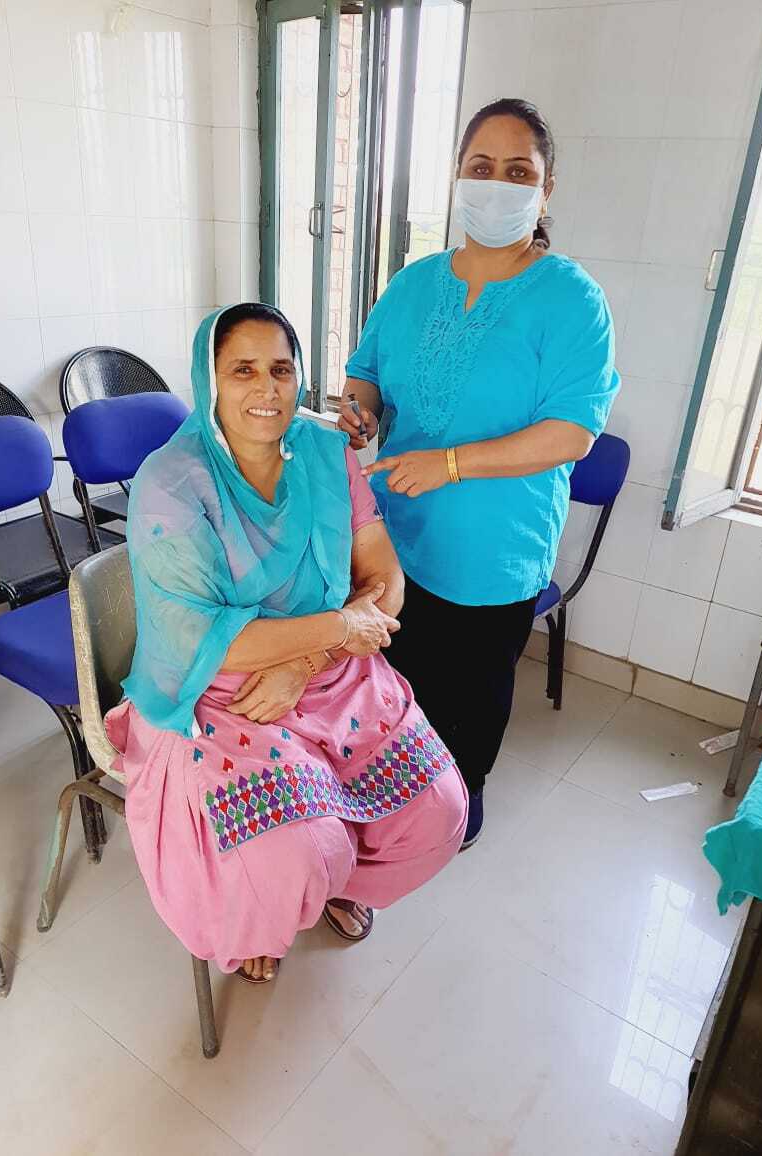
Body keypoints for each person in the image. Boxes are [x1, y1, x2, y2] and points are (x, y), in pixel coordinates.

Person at [106, 303, 467, 982]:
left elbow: (384, 579)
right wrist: (340, 628)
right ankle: (267, 915)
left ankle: (337, 889)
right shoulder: (172, 481)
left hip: (330, 673)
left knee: (438, 810)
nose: (266, 388)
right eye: (242, 370)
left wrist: (307, 661)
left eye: (280, 369)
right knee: (293, 854)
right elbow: (199, 638)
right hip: (219, 692)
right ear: (209, 379)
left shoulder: (328, 454)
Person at [339, 98, 620, 849]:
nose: (496, 185)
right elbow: (367, 373)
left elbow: (572, 431)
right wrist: (360, 411)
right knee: (390, 681)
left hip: (494, 548)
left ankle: (459, 801)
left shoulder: (570, 299)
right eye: (481, 167)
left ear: (546, 189)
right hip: (393, 535)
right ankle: (389, 796)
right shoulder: (412, 284)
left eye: (517, 172)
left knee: (469, 695)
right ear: (458, 177)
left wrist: (454, 464)